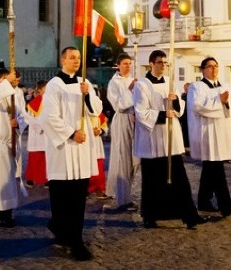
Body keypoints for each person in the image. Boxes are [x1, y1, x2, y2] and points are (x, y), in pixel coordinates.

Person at [41, 47, 103, 261]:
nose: (76, 61)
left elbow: (97, 109)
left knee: (78, 198)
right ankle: (61, 230)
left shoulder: (84, 83)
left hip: (81, 148)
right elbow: (49, 117)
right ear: (63, 60)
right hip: (64, 149)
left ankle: (74, 239)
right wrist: (70, 133)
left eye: (78, 58)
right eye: (72, 58)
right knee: (61, 198)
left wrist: (86, 95)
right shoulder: (54, 85)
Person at [133, 50, 204, 229]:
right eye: (159, 62)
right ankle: (150, 215)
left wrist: (175, 101)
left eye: (165, 62)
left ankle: (189, 215)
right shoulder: (142, 85)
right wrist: (165, 113)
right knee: (152, 180)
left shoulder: (171, 83)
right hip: (152, 139)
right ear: (151, 64)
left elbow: (179, 109)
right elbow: (141, 112)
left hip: (170, 138)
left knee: (179, 178)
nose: (163, 65)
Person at [187, 56, 231, 218]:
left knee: (211, 168)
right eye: (210, 66)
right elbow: (198, 107)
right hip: (207, 133)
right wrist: (219, 101)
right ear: (203, 69)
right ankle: (225, 205)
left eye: (216, 66)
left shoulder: (226, 85)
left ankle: (204, 200)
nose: (214, 69)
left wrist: (225, 103)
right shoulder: (196, 87)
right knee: (216, 169)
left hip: (222, 132)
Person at [0, 68, 27, 228]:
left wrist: (18, 123)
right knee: (4, 179)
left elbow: (23, 115)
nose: (10, 83)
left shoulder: (17, 94)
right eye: (6, 80)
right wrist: (7, 84)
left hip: (10, 142)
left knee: (4, 178)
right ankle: (5, 213)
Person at [105, 53, 139, 210]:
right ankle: (123, 199)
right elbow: (118, 105)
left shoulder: (135, 79)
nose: (128, 66)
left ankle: (128, 191)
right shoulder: (114, 83)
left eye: (129, 63)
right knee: (123, 159)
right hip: (122, 120)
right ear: (118, 65)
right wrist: (130, 90)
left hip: (136, 120)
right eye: (124, 63)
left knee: (136, 159)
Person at [24, 81, 48, 187]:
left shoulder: (51, 102)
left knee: (47, 158)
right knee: (35, 157)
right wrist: (41, 127)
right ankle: (31, 178)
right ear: (40, 90)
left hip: (48, 134)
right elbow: (30, 119)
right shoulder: (34, 103)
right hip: (36, 134)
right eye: (46, 89)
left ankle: (47, 178)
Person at [87, 111, 109, 199]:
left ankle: (99, 189)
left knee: (98, 166)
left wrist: (100, 130)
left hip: (96, 144)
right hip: (84, 143)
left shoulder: (97, 110)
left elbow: (104, 126)